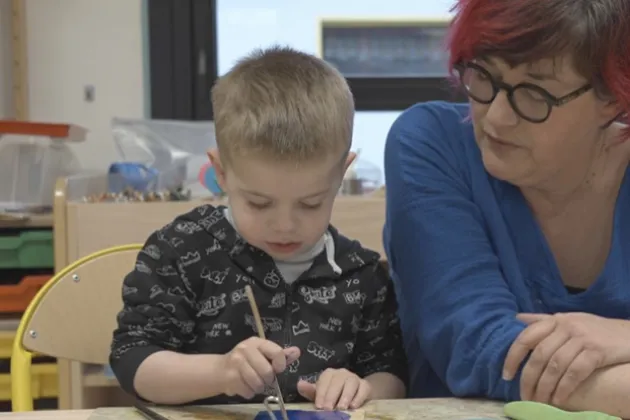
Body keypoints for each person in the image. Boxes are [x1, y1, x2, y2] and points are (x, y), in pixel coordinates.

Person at [109, 45, 407, 409]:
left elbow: (391, 373)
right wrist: (220, 372)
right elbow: (134, 360)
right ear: (221, 173)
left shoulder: (360, 274)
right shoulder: (182, 250)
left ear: (341, 174)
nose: (284, 225)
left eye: (310, 203)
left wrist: (361, 388)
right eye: (259, 203)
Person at [383, 0, 630, 417]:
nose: (496, 118)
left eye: (535, 95)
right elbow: (479, 345)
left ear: (611, 98)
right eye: (484, 75)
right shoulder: (431, 144)